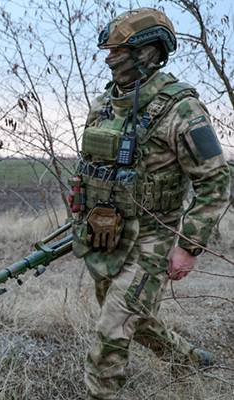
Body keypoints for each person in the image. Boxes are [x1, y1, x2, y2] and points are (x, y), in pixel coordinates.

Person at [69, 7, 231, 400]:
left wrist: (188, 246)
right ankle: (188, 361)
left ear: (147, 51)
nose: (109, 58)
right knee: (132, 317)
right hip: (107, 235)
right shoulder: (105, 104)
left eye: (118, 50)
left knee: (111, 329)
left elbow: (215, 181)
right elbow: (90, 167)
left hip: (154, 240)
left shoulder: (181, 109)